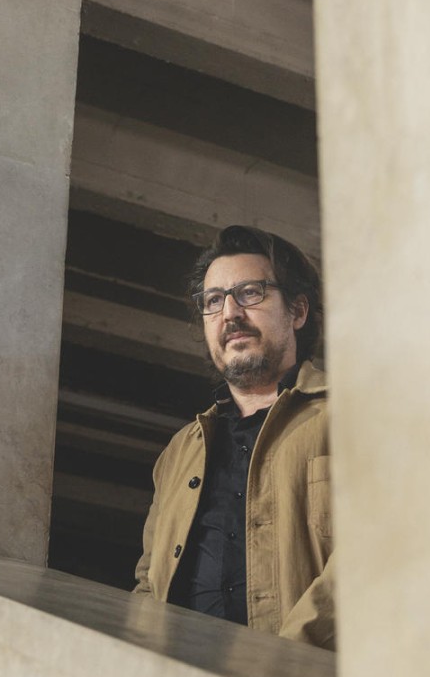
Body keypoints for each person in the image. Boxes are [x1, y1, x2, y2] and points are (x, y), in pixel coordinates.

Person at [133, 224, 334, 650]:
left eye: (250, 293)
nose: (230, 313)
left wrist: (286, 659)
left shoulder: (354, 418)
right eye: (213, 300)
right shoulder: (180, 451)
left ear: (298, 312)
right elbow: (148, 581)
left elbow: (378, 552)